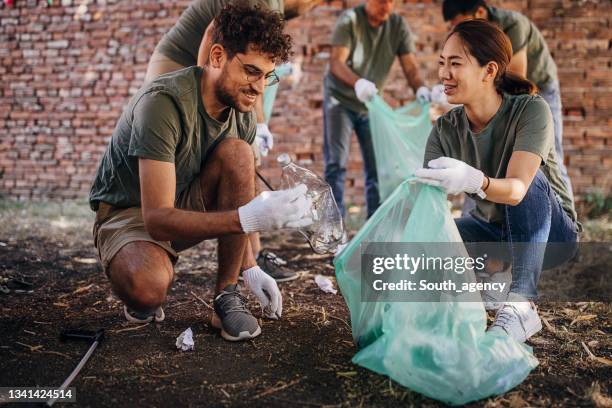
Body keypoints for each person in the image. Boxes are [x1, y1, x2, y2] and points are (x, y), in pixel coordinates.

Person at [89, 3, 312, 341]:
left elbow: (239, 192)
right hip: (130, 211)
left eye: (268, 76)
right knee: (149, 290)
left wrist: (250, 269)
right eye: (251, 71)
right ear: (218, 56)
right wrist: (248, 219)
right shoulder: (162, 102)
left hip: (184, 200)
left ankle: (227, 297)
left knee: (241, 155)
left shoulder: (243, 113)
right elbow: (158, 219)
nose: (259, 88)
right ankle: (139, 275)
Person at [416, 20, 580, 343]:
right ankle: (492, 273)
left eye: (455, 64)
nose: (444, 75)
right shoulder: (444, 130)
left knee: (530, 185)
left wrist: (475, 180)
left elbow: (519, 188)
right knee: (437, 234)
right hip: (494, 231)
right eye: (441, 64)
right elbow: (427, 208)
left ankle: (521, 304)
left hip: (552, 238)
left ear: (489, 71)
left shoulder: (531, 111)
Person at [145, 0, 324, 282]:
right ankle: (144, 245)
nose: (313, 6)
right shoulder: (264, 4)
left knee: (244, 156)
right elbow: (210, 36)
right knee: (192, 162)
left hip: (216, 70)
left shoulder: (274, 10)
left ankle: (251, 259)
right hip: (178, 64)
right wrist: (203, 99)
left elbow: (254, 70)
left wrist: (257, 123)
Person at [441, 0, 573, 196]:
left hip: (538, 88)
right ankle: (480, 213)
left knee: (550, 151)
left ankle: (565, 213)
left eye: (462, 24)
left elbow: (518, 79)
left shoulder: (513, 25)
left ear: (479, 12)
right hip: (501, 91)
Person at [324, 0, 430, 218]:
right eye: (383, 1)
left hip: (372, 104)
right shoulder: (350, 20)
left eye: (392, 2)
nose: (387, 7)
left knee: (378, 169)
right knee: (336, 164)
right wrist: (358, 83)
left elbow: (410, 66)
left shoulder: (397, 25)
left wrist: (421, 89)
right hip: (340, 100)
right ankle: (335, 230)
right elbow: (336, 63)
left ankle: (375, 227)